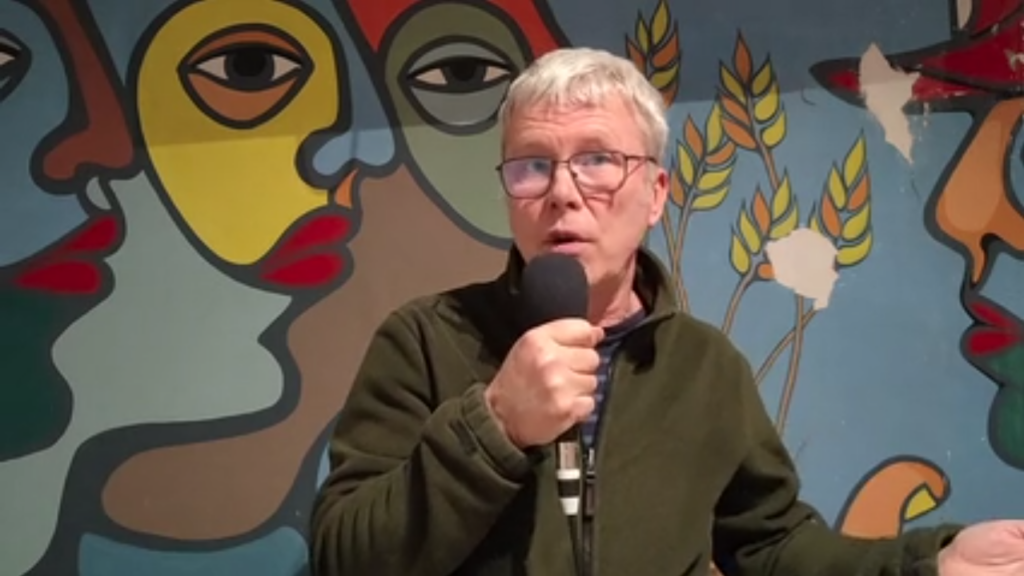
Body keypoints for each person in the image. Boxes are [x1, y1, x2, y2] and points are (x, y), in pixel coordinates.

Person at [310, 46, 1024, 576]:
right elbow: (344, 557)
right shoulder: (424, 341)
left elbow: (773, 546)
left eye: (597, 160)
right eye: (532, 165)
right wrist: (493, 426)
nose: (562, 192)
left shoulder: (704, 367)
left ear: (655, 194)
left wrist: (927, 564)